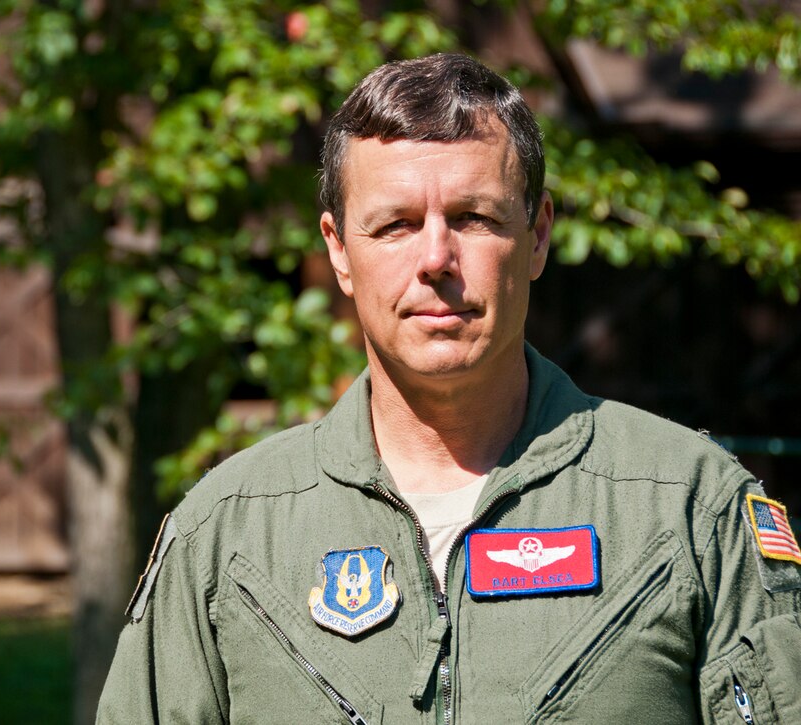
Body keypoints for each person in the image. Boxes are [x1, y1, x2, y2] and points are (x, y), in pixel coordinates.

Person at [97, 52, 801, 724]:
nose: (436, 258)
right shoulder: (226, 538)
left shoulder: (689, 509)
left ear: (538, 234)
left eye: (473, 218)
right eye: (396, 224)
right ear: (339, 249)